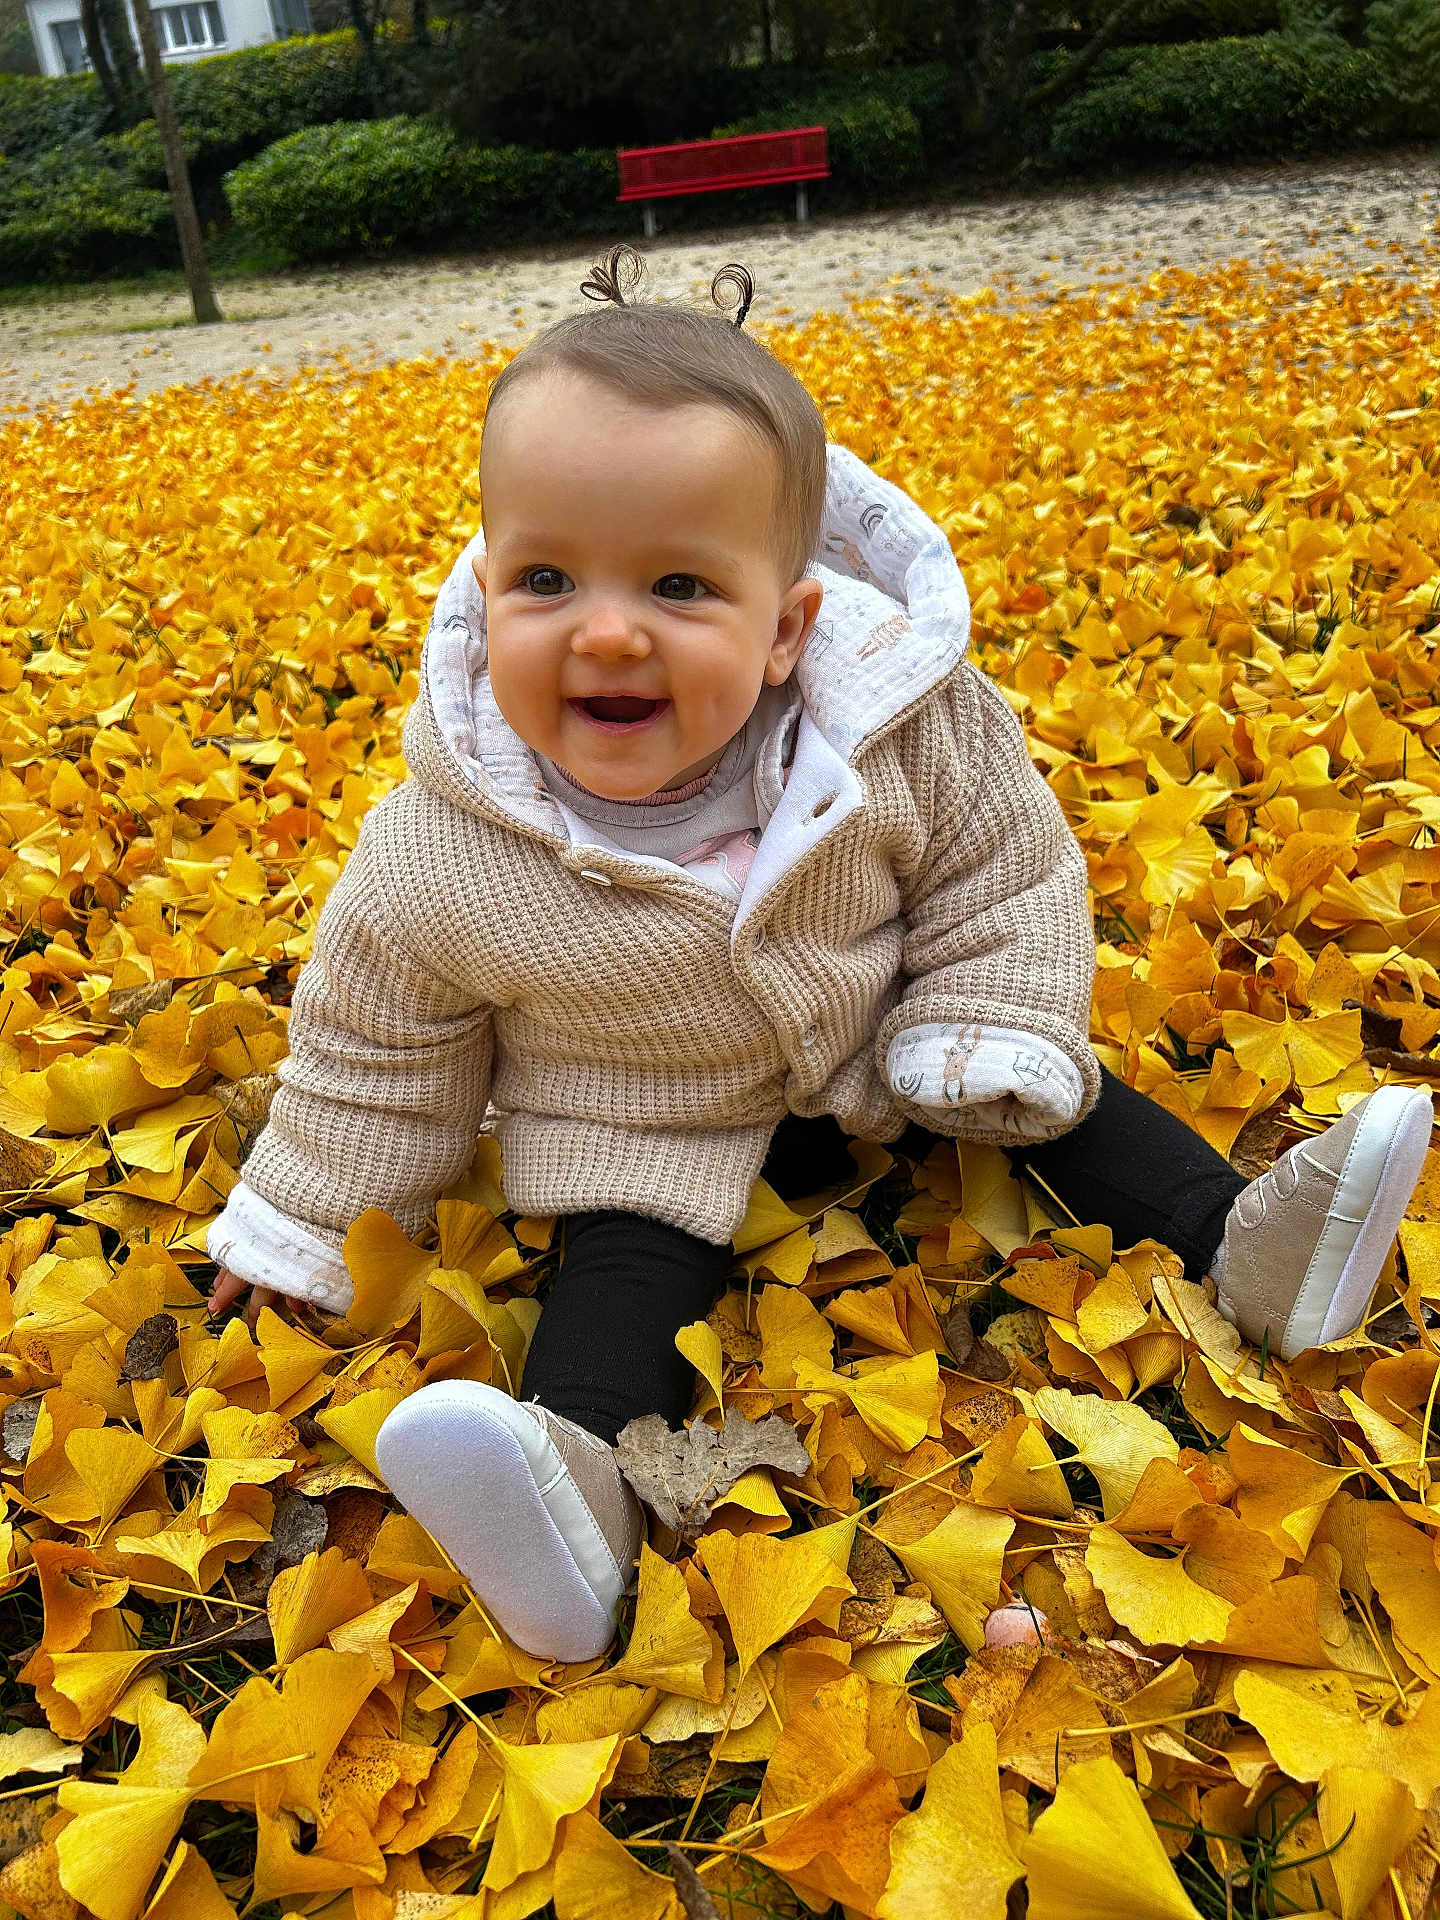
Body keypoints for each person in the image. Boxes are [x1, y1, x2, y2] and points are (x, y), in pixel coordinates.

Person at [207, 247, 1434, 1665]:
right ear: (488, 595)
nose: (606, 631)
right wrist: (300, 1222)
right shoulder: (444, 844)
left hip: (900, 1048)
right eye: (547, 578)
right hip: (642, 1123)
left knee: (1070, 1110)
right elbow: (376, 1048)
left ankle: (1246, 1247)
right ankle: (572, 1497)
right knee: (618, 1275)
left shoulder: (892, 728)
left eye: (678, 585)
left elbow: (1001, 864)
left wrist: (981, 1016)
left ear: (788, 627)